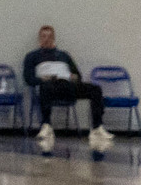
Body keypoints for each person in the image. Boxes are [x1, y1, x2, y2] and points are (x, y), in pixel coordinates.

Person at [21, 26, 113, 157]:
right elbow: (28, 79)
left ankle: (97, 127)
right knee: (45, 87)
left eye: (49, 36)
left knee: (95, 89)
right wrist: (41, 79)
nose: (46, 39)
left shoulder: (64, 55)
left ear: (54, 38)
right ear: (39, 39)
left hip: (68, 86)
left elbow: (77, 75)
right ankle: (46, 126)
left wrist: (74, 77)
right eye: (43, 36)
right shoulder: (32, 56)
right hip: (49, 86)